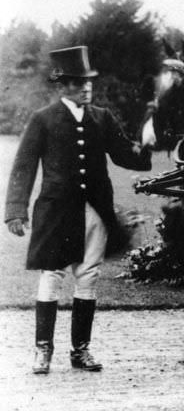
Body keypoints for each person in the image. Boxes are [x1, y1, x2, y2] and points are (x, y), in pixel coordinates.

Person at [5, 46, 152, 375]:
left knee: (88, 277)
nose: (87, 87)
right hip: (56, 212)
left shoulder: (102, 117)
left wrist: (147, 143)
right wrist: (16, 210)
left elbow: (127, 156)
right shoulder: (43, 119)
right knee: (52, 277)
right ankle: (43, 351)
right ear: (64, 85)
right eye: (78, 82)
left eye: (88, 82)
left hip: (95, 212)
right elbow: (23, 166)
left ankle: (80, 351)